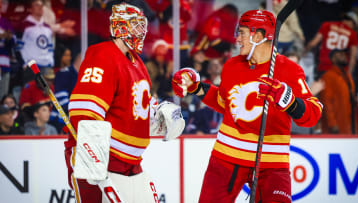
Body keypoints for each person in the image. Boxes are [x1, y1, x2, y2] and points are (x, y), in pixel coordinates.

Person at [172, 10, 323, 202]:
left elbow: (313, 114)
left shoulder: (289, 70)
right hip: (226, 158)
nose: (237, 38)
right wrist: (195, 87)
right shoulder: (232, 65)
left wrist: (291, 103)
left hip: (271, 163)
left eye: (242, 32)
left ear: (259, 36)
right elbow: (225, 103)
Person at [65, 3, 159, 202]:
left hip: (130, 164)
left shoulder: (137, 63)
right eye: (136, 25)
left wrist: (159, 115)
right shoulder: (102, 54)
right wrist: (93, 157)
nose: (141, 32)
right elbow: (85, 110)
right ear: (120, 26)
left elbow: (137, 110)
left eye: (142, 26)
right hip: (102, 160)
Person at [319, 49, 357, 134]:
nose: (343, 56)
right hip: (337, 127)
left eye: (344, 54)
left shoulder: (348, 76)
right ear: (333, 59)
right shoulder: (328, 77)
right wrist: (332, 124)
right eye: (340, 54)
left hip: (350, 125)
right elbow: (326, 102)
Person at [18, 0, 54, 68]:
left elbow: (50, 46)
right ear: (30, 9)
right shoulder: (23, 26)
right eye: (36, 5)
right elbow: (18, 47)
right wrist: (25, 63)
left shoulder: (47, 27)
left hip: (47, 65)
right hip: (32, 65)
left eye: (41, 5)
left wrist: (51, 61)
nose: (40, 7)